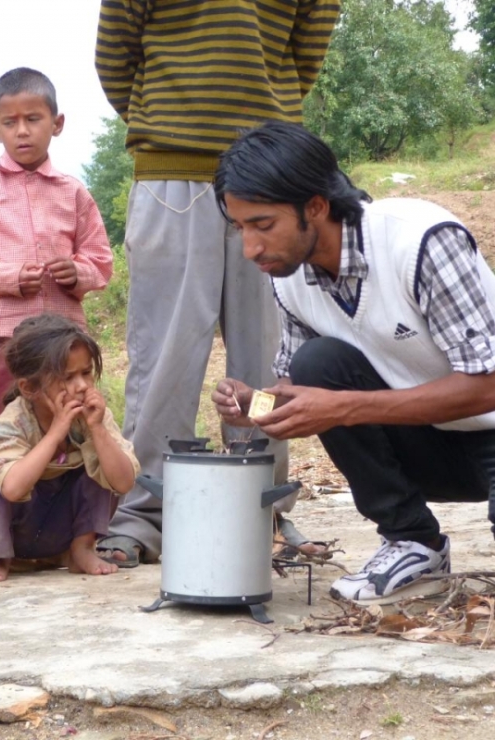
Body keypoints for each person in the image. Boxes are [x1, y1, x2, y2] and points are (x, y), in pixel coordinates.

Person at [94, 0, 340, 565]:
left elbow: (308, 50)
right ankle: (147, 512)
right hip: (170, 175)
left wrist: (263, 132)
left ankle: (262, 509)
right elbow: (115, 56)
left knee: (266, 356)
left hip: (271, 174)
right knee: (165, 359)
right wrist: (172, 124)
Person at [211, 120, 495, 604]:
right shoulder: (290, 277)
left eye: (263, 225)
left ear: (315, 207)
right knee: (316, 362)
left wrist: (344, 407)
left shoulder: (420, 241)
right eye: (240, 227)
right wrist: (257, 407)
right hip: (434, 447)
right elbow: (302, 390)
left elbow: (488, 387)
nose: (250, 248)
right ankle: (413, 540)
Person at [0, 67, 113, 445]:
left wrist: (77, 272)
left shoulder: (73, 192)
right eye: (10, 122)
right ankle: (2, 503)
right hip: (2, 336)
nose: (22, 131)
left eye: (33, 119)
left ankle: (70, 502)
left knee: (73, 426)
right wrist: (10, 277)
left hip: (66, 343)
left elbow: (100, 261)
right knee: (4, 431)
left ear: (57, 123)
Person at [0, 313, 140, 583]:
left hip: (60, 533)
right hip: (19, 532)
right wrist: (56, 432)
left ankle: (81, 548)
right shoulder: (12, 423)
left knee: (103, 454)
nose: (82, 386)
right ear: (29, 388)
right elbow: (13, 489)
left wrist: (97, 431)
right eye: (67, 377)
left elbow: (123, 483)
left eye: (86, 373)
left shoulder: (93, 417)